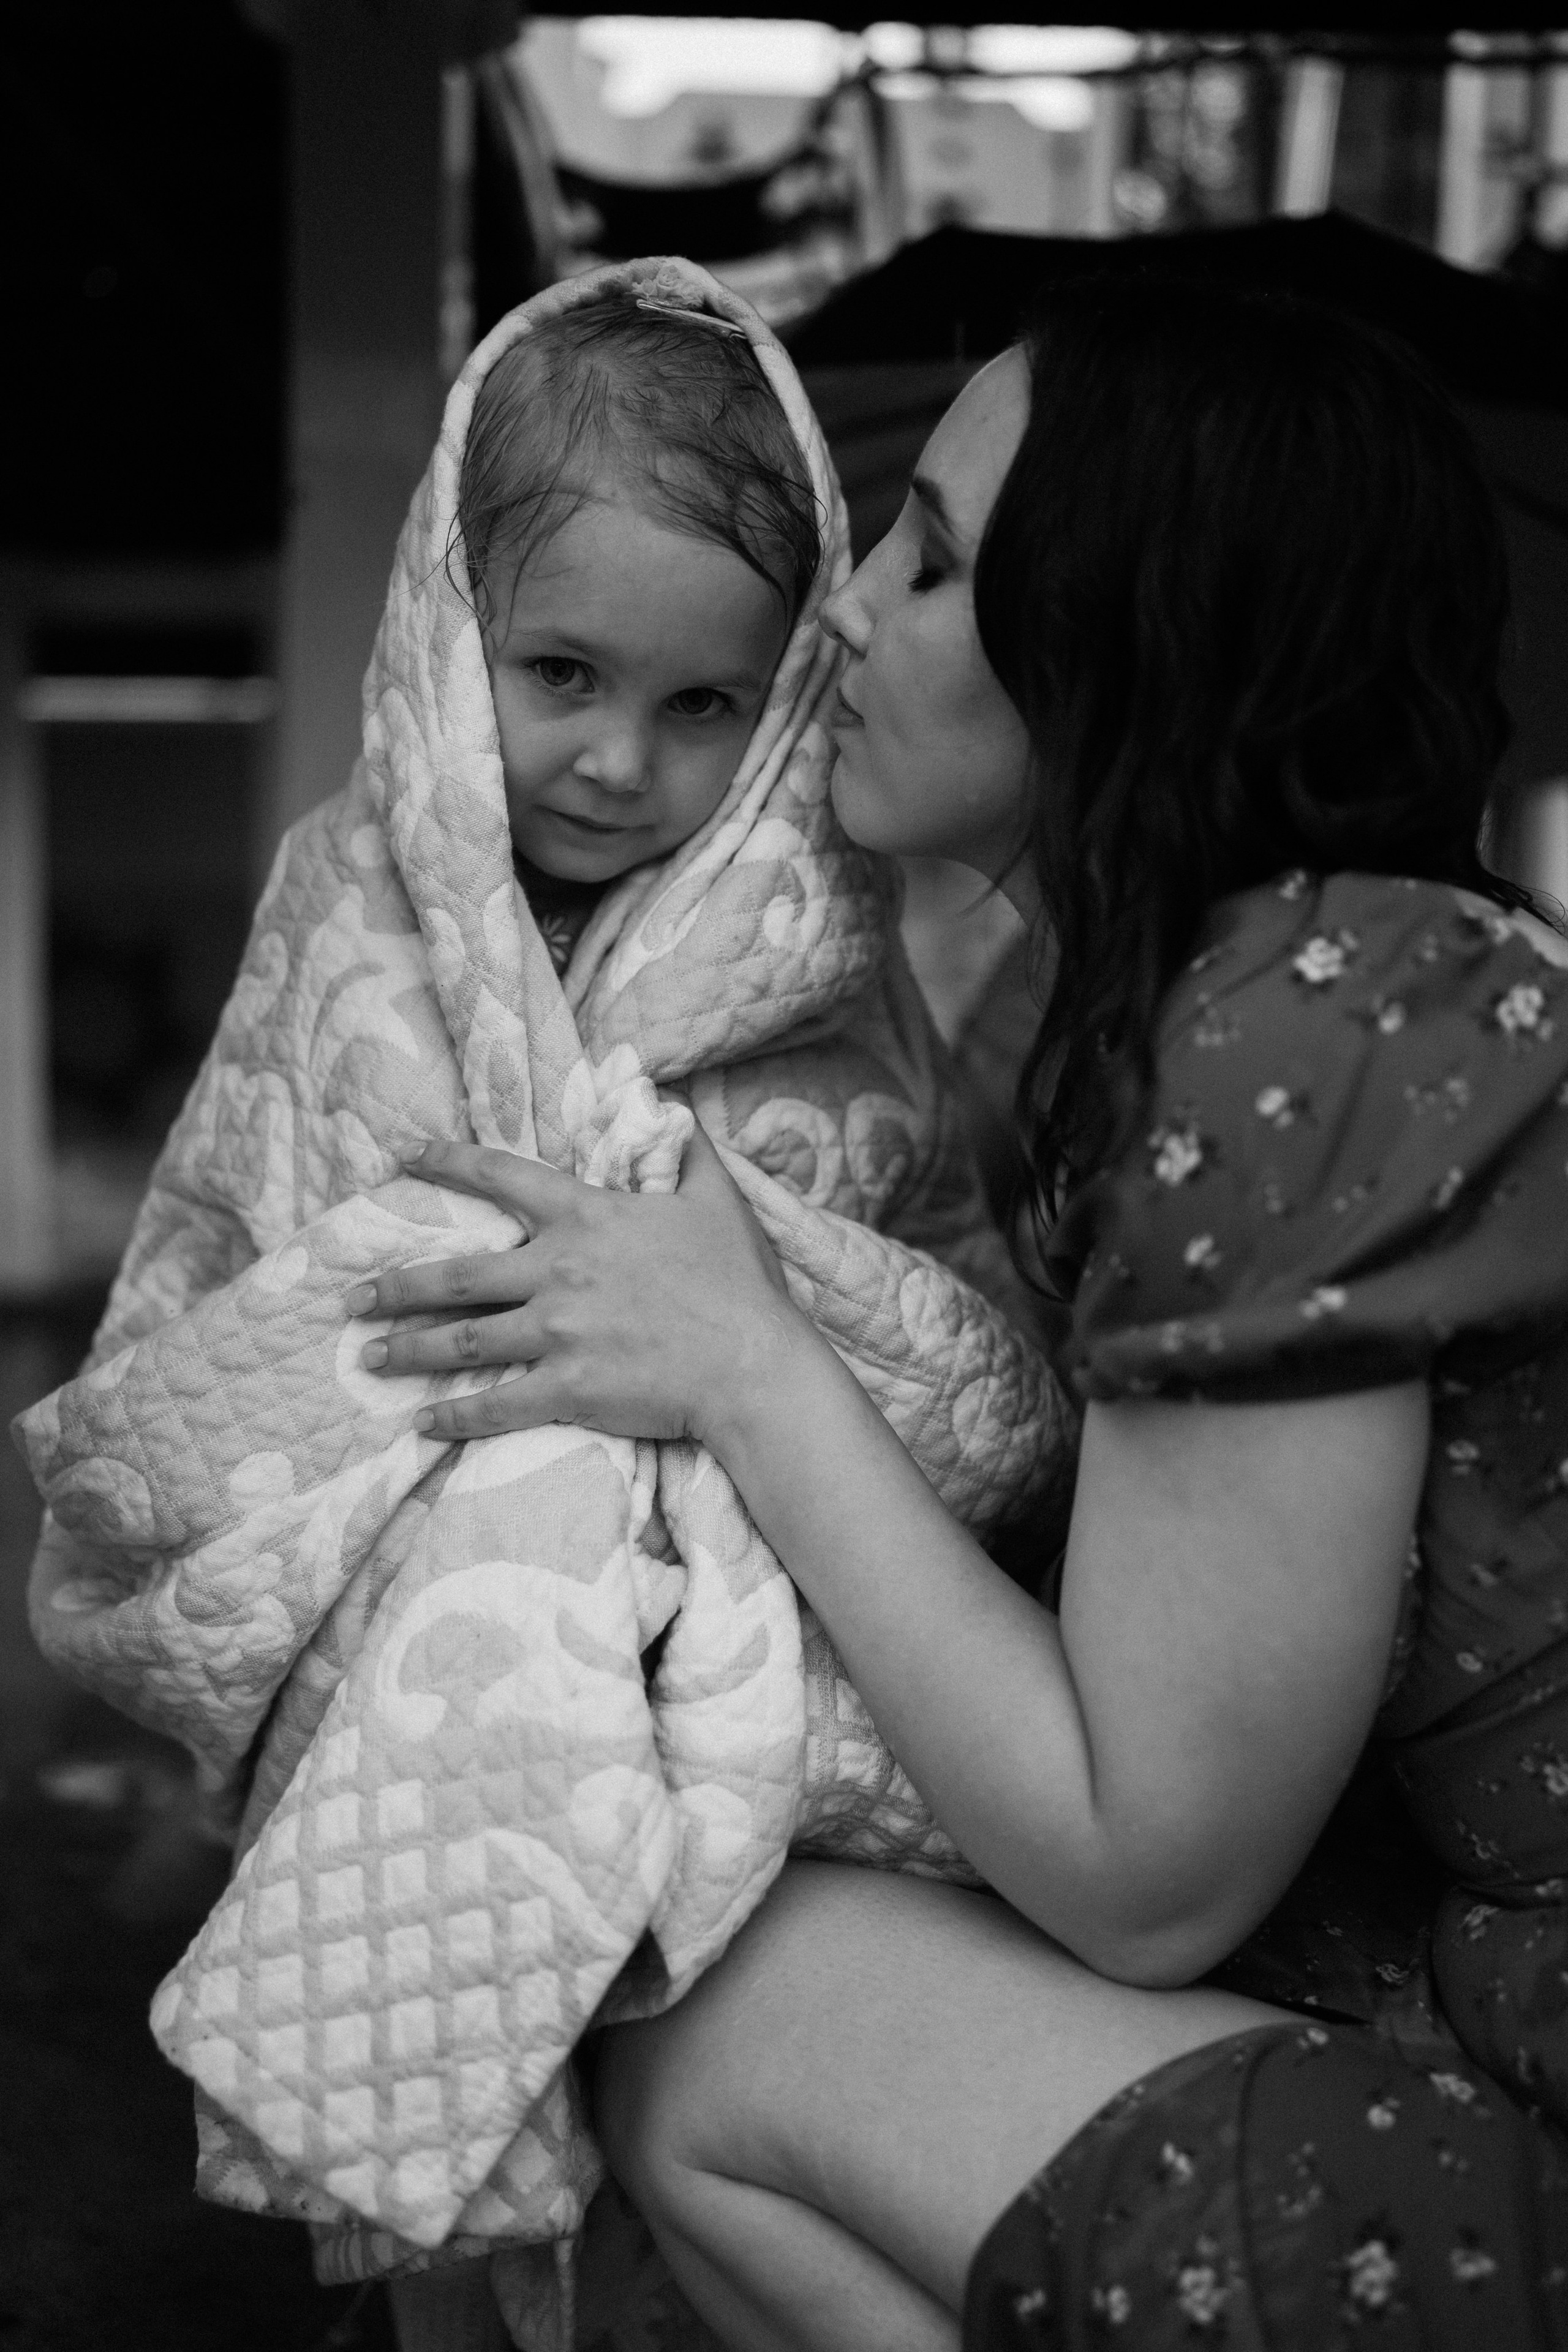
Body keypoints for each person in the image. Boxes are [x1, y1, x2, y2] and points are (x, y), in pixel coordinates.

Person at [347, 276, 1568, 2351]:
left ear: (1123, 645)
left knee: (705, 2032)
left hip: (1509, 2141)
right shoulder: (1308, 982)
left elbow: (1143, 1869)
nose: (841, 614)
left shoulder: (1321, 1019)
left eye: (930, 558)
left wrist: (748, 1360)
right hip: (1459, 1986)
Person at [19, 257, 1061, 2352]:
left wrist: (718, 1279)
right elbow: (255, 1229)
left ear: (781, 701)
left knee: (647, 2210)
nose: (615, 763)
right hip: (397, 1570)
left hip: (704, 1581)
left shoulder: (826, 939)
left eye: (703, 709)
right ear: (445, 632)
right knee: (456, 2263)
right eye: (562, 673)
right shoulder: (353, 900)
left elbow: (912, 1273)